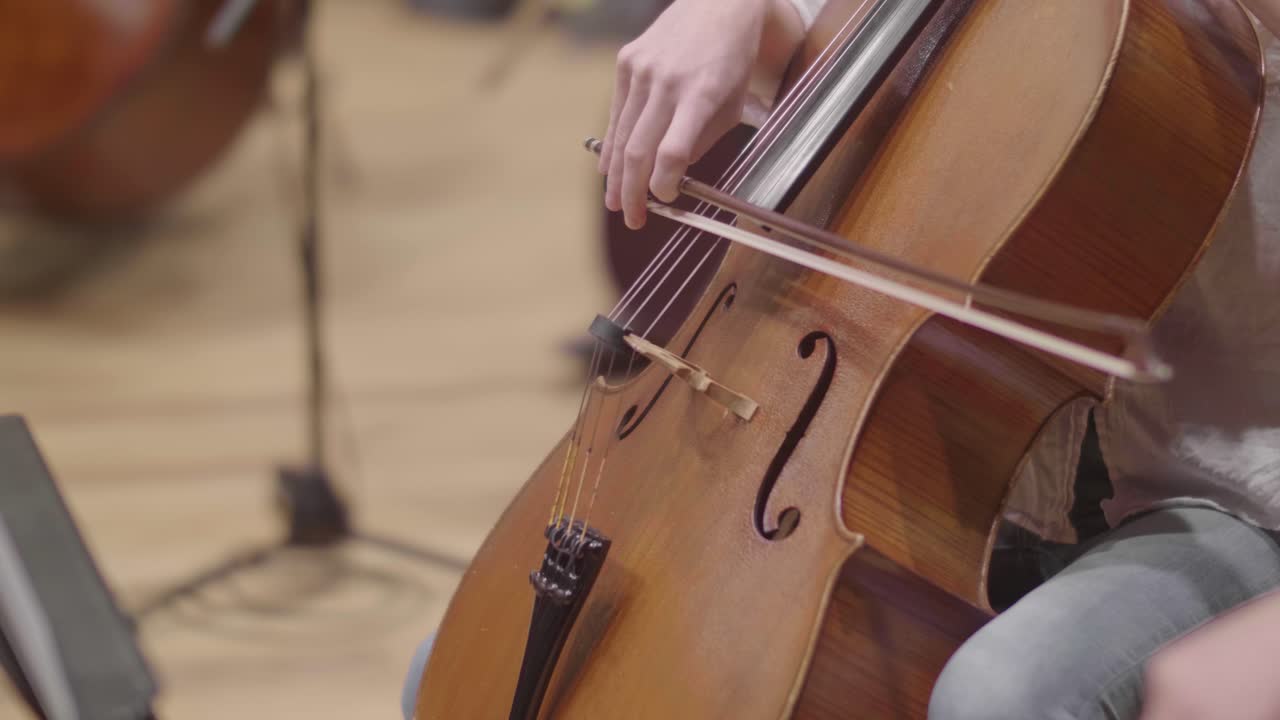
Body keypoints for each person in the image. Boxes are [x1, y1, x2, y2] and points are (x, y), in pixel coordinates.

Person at [404, 1, 1280, 718]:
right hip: (940, 454)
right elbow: (835, 74)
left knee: (1003, 700)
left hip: (1216, 490)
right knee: (451, 676)